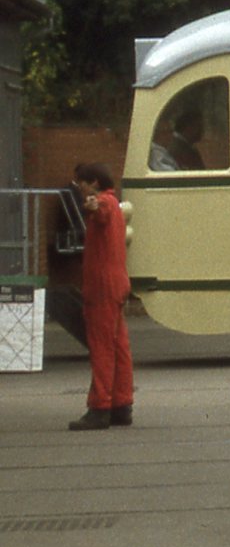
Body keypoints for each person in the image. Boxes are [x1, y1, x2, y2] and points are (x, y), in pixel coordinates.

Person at [69, 162, 133, 430]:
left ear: (93, 182)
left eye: (80, 183)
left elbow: (100, 209)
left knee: (102, 348)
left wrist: (93, 205)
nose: (80, 189)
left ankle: (100, 406)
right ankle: (121, 403)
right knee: (119, 347)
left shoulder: (104, 203)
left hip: (101, 288)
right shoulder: (115, 203)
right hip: (117, 283)